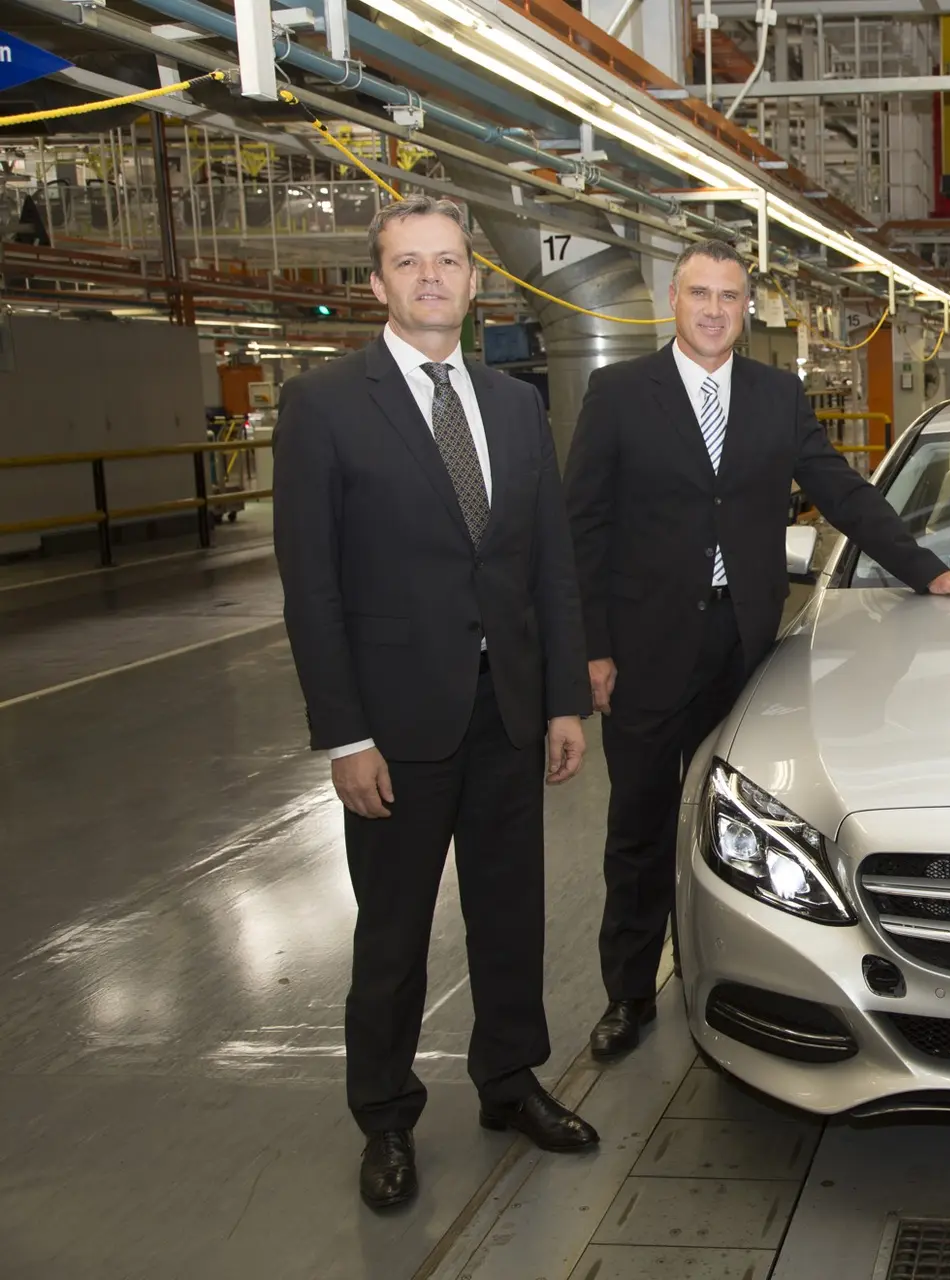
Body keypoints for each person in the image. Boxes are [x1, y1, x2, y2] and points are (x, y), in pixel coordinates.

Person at [564, 239, 950, 1060]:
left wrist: (927, 570)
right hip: (645, 644)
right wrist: (591, 649)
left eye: (729, 296)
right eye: (700, 294)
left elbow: (841, 490)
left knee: (746, 821)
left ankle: (730, 969)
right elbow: (582, 526)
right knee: (640, 824)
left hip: (744, 645)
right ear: (673, 300)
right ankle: (628, 993)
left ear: (747, 308)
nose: (714, 310)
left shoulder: (776, 394)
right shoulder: (619, 393)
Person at [274, 195, 599, 1212]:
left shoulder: (514, 406)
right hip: (396, 724)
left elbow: (547, 566)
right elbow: (311, 586)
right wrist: (346, 734)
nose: (430, 277)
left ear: (473, 279)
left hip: (507, 711)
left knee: (511, 914)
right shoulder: (325, 404)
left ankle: (509, 1080)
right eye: (409, 262)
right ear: (378, 283)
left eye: (447, 260)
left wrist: (561, 700)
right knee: (393, 934)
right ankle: (385, 1115)